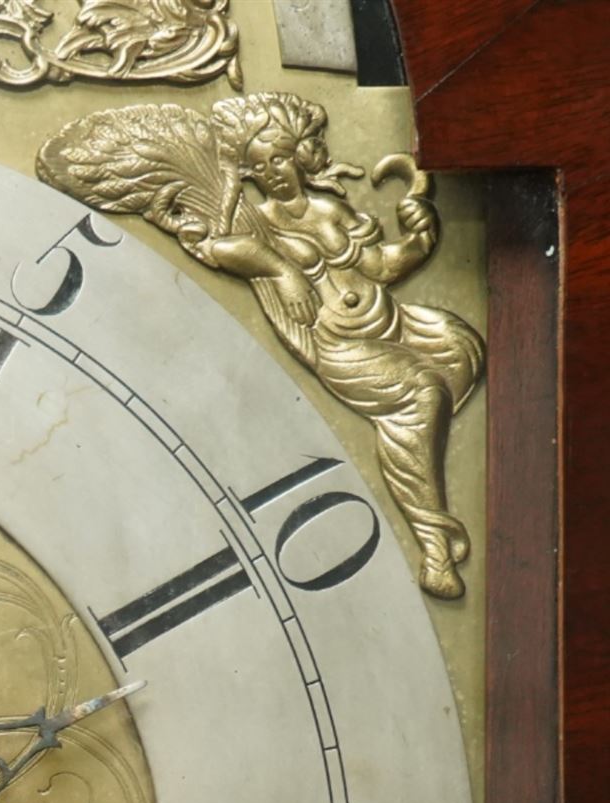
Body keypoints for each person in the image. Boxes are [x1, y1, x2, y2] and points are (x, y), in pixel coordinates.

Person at [185, 93, 485, 600]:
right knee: (421, 395)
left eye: (279, 158)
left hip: (394, 323)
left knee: (463, 345)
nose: (274, 172)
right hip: (338, 346)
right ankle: (435, 550)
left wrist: (418, 242)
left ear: (298, 156)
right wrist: (280, 270)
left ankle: (430, 488)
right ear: (249, 174)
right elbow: (216, 247)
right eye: (260, 167)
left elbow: (379, 268)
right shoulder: (253, 222)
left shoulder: (330, 208)